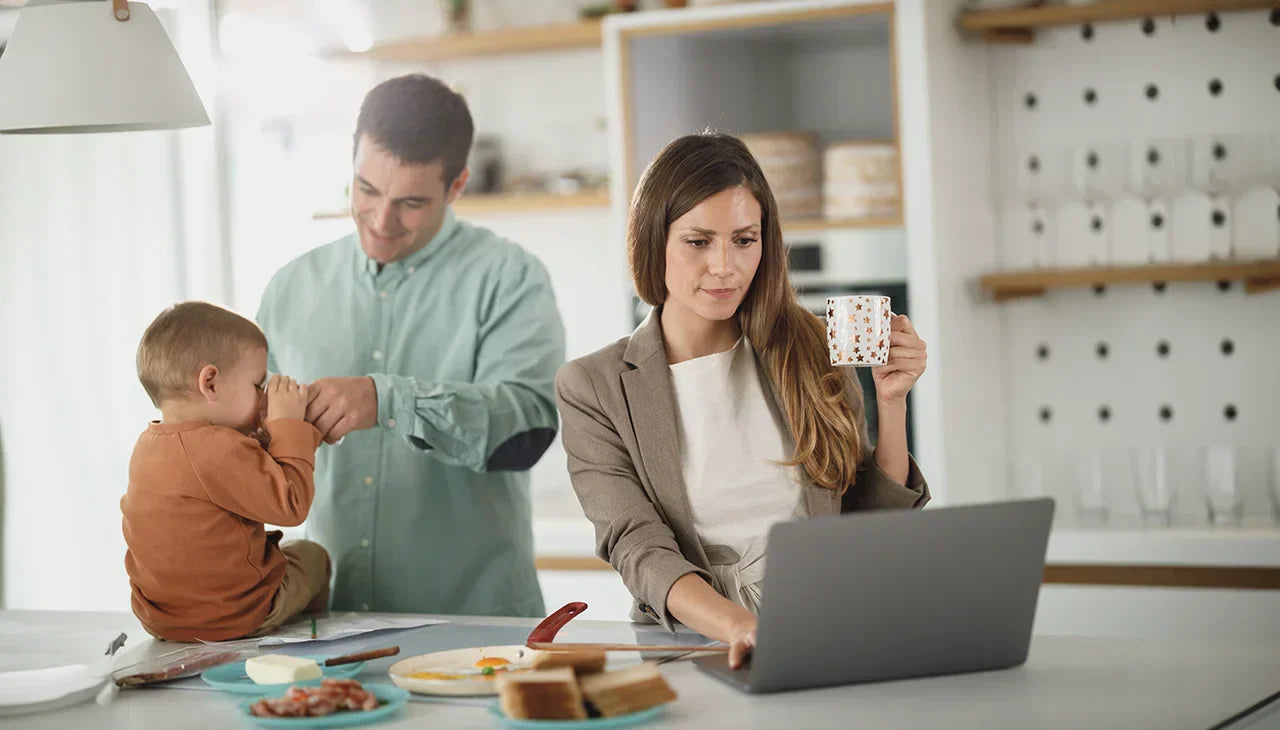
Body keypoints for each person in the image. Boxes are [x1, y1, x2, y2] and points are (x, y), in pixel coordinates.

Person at [555, 133, 930, 668]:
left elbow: (866, 524)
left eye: (745, 240)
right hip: (692, 647)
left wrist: (891, 401)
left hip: (832, 627)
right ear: (651, 240)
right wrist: (743, 626)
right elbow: (639, 549)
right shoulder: (594, 387)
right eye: (699, 241)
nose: (725, 267)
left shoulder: (813, 347)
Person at [256, 73, 565, 617]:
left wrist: (391, 401)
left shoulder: (511, 277)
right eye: (366, 189)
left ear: (457, 186)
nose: (381, 220)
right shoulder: (290, 288)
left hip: (475, 625)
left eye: (411, 202)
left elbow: (530, 426)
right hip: (329, 623)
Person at [121, 301, 328, 642]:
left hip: (163, 620)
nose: (263, 396)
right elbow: (291, 505)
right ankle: (308, 635)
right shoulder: (219, 447)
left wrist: (264, 437)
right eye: (258, 385)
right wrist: (289, 424)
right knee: (313, 557)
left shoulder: (148, 445)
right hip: (234, 617)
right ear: (211, 383)